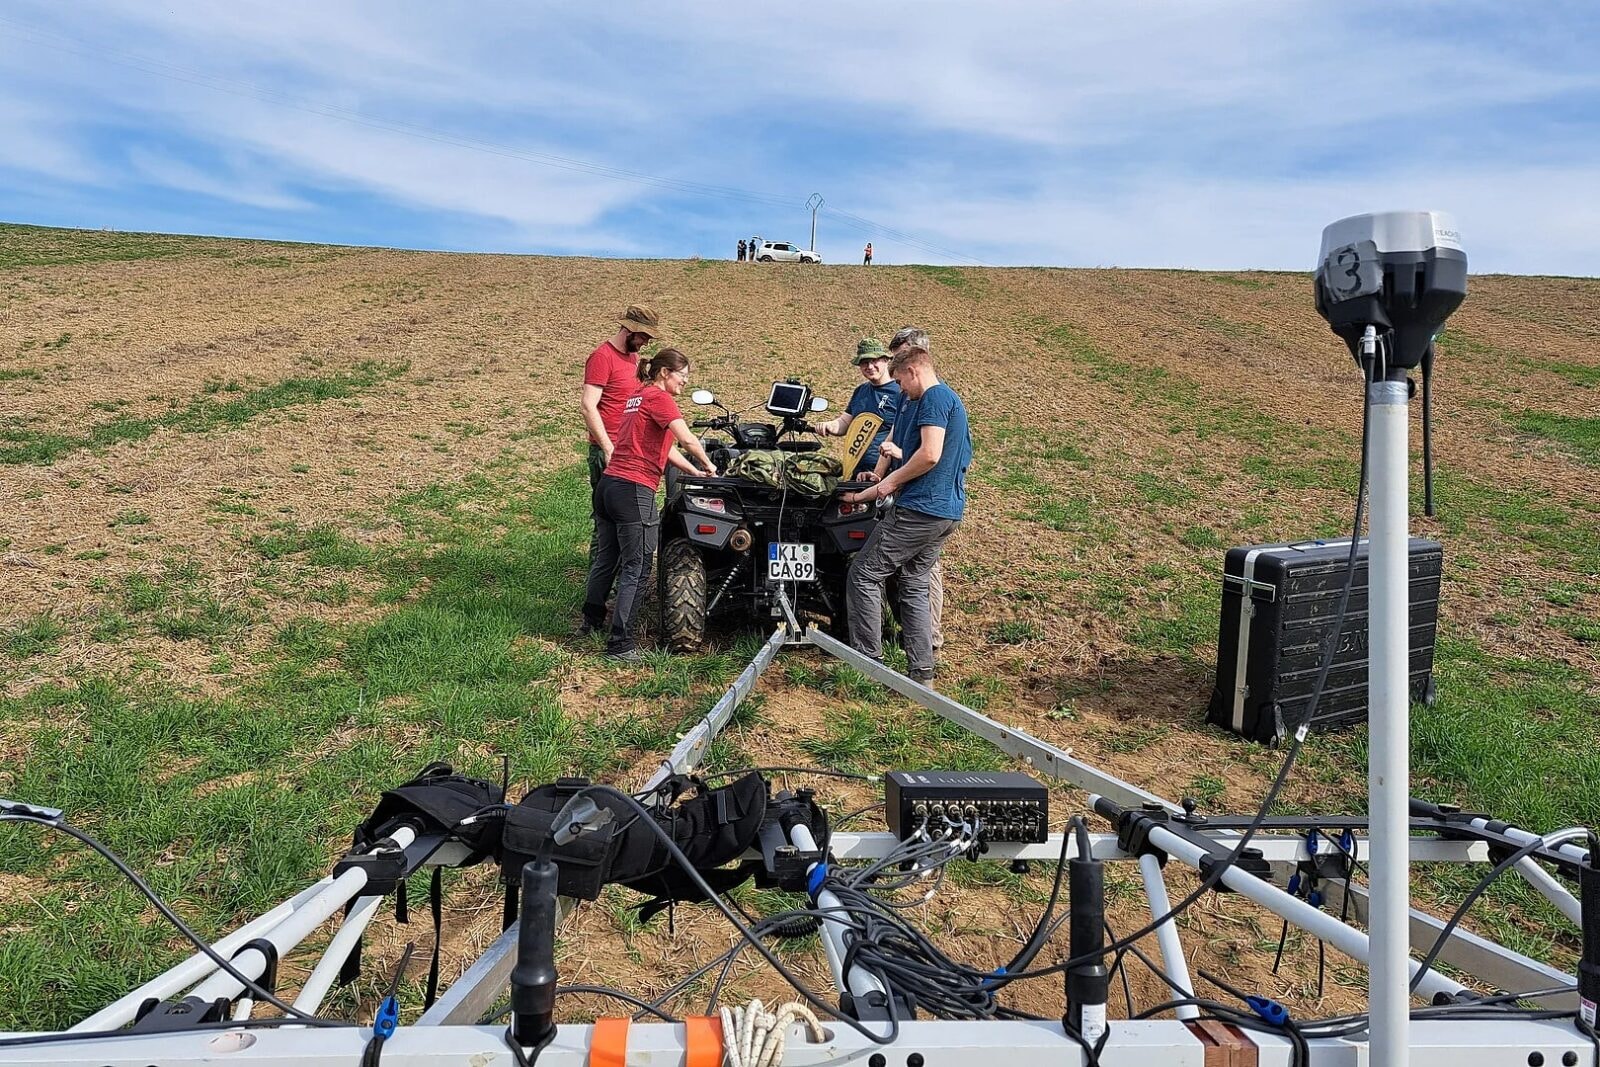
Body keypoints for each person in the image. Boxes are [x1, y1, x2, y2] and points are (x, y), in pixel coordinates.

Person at [842, 330, 970, 683]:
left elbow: (929, 455)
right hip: (946, 512)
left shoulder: (933, 398)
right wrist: (875, 482)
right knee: (913, 584)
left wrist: (886, 484)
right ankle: (922, 673)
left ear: (913, 371)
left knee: (864, 575)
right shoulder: (949, 400)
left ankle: (868, 665)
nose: (900, 388)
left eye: (900, 381)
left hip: (919, 509)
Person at [581, 349, 718, 662]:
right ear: (665, 373)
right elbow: (687, 439)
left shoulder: (637, 396)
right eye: (683, 376)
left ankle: (590, 621)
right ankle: (620, 645)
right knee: (638, 566)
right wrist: (709, 465)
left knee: (607, 557)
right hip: (633, 489)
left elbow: (664, 448)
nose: (685, 382)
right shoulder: (660, 398)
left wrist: (693, 471)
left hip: (609, 486)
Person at [816, 338, 901, 476]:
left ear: (886, 360)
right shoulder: (860, 391)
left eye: (874, 360)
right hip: (856, 471)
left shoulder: (900, 391)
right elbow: (845, 422)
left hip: (887, 474)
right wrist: (829, 425)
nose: (870, 366)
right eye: (864, 362)